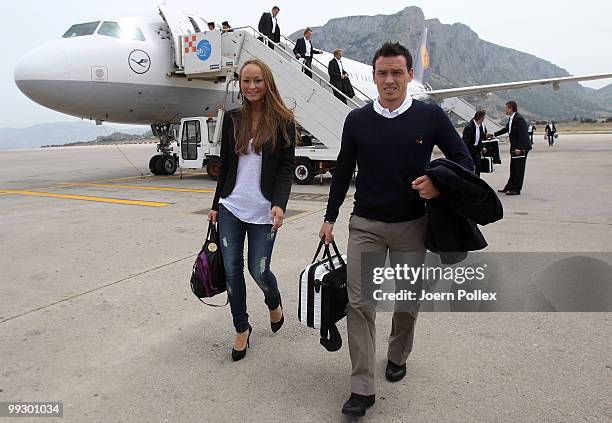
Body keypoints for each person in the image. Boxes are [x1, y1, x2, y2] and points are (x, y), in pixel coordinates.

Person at [319, 42, 473, 418]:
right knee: (360, 304)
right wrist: (330, 216)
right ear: (373, 77)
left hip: (412, 226)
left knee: (407, 301)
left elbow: (464, 160)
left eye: (396, 73)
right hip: (366, 226)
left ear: (408, 76)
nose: (389, 80)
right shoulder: (357, 120)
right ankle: (362, 388)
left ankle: (398, 354)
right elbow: (342, 170)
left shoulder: (430, 116)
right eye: (382, 73)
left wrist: (438, 184)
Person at [208, 59, 296, 362]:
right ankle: (241, 328)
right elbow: (225, 165)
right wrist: (215, 206)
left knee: (258, 270)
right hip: (231, 205)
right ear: (240, 84)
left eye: (257, 80)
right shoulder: (233, 119)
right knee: (232, 271)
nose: (252, 87)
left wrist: (279, 204)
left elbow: (286, 168)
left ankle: (274, 302)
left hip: (264, 209)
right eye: (246, 81)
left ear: (267, 82)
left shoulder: (283, 120)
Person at [490, 101, 530, 195]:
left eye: (506, 108)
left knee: (519, 168)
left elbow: (523, 135)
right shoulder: (512, 118)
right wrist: (494, 134)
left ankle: (516, 189)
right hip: (515, 147)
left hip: (520, 148)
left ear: (510, 108)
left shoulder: (519, 119)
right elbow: (507, 129)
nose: (505, 109)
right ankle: (509, 186)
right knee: (513, 168)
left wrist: (520, 148)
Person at [462, 110, 487, 176]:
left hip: (476, 150)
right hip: (469, 150)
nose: (484, 119)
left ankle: (477, 181)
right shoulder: (469, 127)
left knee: (478, 167)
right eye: (484, 118)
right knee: (470, 168)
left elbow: (479, 139)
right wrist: (466, 153)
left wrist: (483, 147)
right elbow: (465, 142)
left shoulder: (480, 126)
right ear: (481, 118)